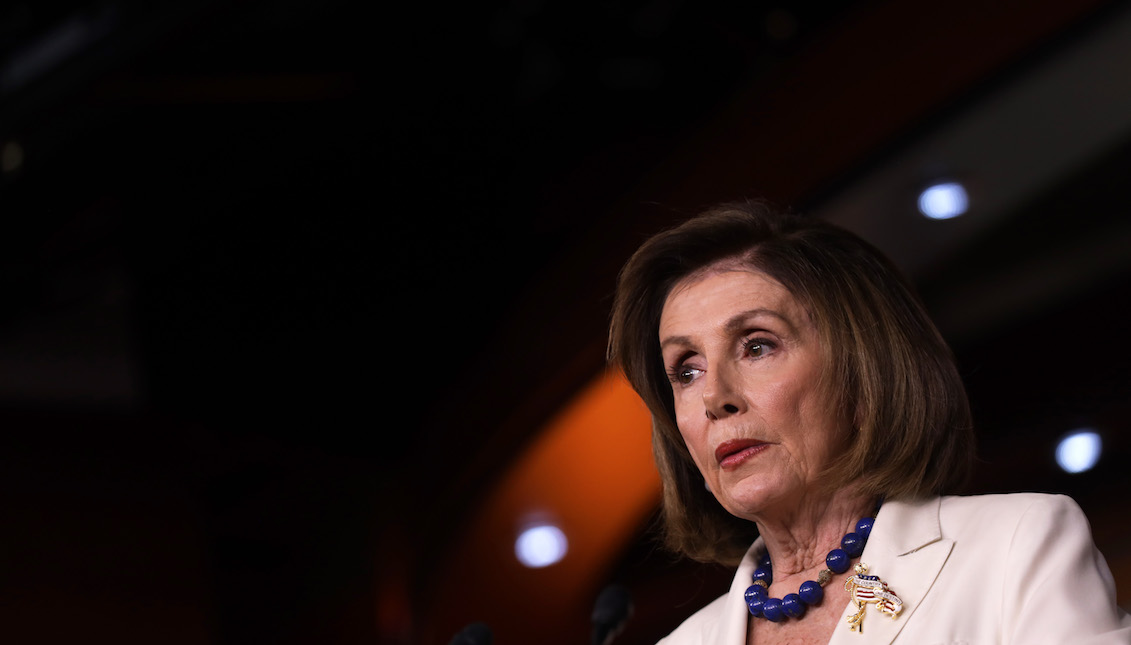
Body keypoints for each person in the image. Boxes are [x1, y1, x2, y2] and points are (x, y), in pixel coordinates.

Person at [607, 201, 1130, 644]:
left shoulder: (1015, 547)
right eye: (686, 370)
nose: (714, 397)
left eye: (757, 346)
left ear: (862, 368)